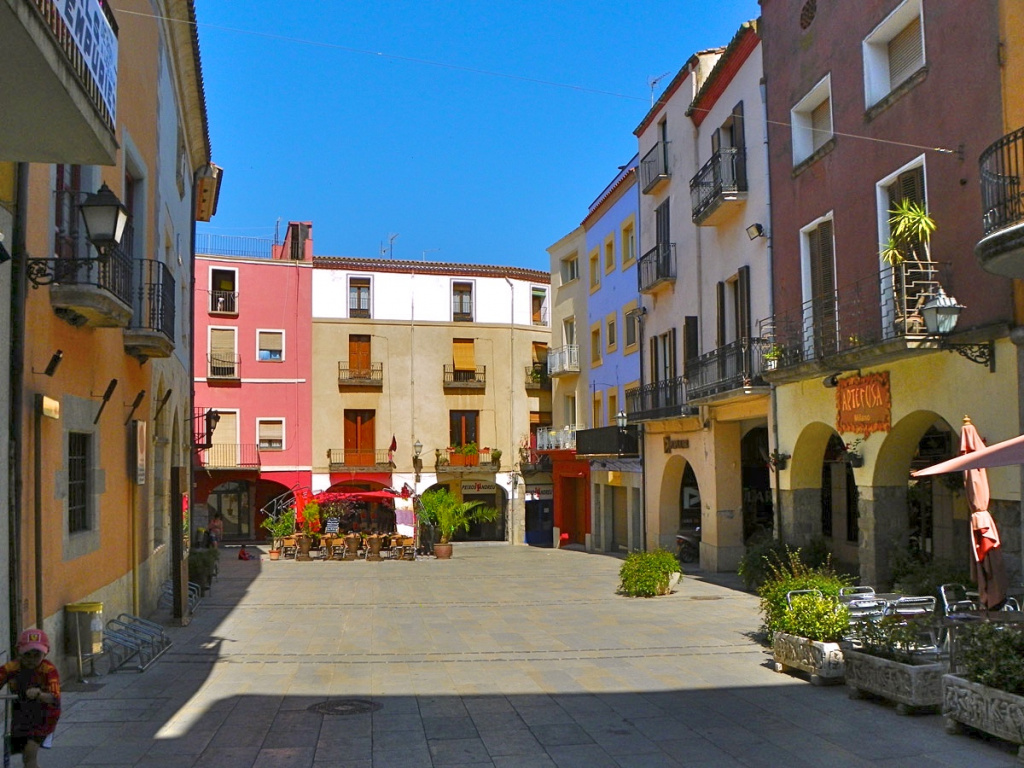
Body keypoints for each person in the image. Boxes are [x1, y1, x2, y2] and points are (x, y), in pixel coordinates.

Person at [0, 629, 61, 768]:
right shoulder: (12, 667)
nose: (31, 660)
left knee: (30, 752)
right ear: (19, 652)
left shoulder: (48, 670)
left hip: (44, 715)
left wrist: (39, 694)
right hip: (21, 714)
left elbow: (55, 698)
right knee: (25, 755)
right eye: (27, 655)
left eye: (36, 655)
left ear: (45, 653)